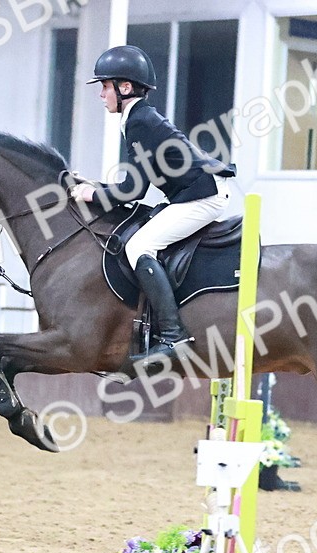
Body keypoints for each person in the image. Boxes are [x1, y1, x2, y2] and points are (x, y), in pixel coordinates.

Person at [73, 45, 237, 363]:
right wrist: (96, 186)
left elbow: (133, 190)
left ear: (125, 87)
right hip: (194, 191)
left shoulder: (140, 122)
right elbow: (135, 184)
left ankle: (174, 336)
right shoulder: (138, 118)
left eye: (105, 86)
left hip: (204, 195)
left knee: (138, 247)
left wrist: (93, 196)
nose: (101, 94)